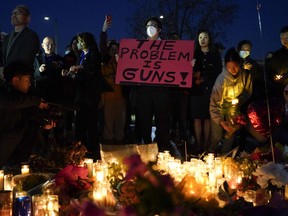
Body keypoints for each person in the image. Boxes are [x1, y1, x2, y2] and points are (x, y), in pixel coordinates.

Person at [209, 48, 266, 155]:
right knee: (217, 135)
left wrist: (238, 100)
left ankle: (225, 154)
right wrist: (221, 122)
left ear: (239, 64)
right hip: (219, 108)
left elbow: (247, 92)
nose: (233, 70)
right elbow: (213, 105)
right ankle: (212, 150)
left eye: (235, 66)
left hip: (234, 107)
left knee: (231, 131)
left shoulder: (245, 75)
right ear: (225, 66)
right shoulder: (220, 81)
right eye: (229, 67)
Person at [68, 32, 111, 159]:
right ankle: (80, 148)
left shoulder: (94, 53)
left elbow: (92, 69)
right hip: (81, 94)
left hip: (90, 95)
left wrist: (79, 68)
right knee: (80, 123)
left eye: (80, 41)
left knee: (91, 123)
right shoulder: (81, 55)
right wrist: (71, 73)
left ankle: (92, 150)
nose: (78, 44)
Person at [0, 62, 50, 168]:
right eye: (27, 80)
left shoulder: (24, 99)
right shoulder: (5, 94)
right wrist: (35, 101)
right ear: (15, 80)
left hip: (15, 155)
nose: (29, 84)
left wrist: (43, 124)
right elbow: (12, 103)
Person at [135, 16, 171, 152]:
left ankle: (163, 149)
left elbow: (174, 65)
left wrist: (187, 64)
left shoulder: (169, 48)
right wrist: (122, 61)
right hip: (144, 91)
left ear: (159, 29)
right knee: (144, 121)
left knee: (163, 121)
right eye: (148, 25)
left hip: (162, 91)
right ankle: (147, 148)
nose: (150, 27)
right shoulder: (138, 47)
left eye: (153, 25)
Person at [189, 29, 223, 153]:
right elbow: (187, 71)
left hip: (210, 89)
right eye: (200, 37)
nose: (203, 40)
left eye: (205, 37)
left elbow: (218, 70)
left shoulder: (214, 54)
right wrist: (194, 78)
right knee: (197, 117)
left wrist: (203, 75)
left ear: (209, 39)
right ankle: (198, 142)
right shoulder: (194, 54)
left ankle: (207, 142)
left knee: (208, 117)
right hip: (196, 90)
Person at [2, 5, 40, 70]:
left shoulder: (32, 36)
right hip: (6, 77)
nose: (14, 15)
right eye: (13, 13)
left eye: (18, 13)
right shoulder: (6, 38)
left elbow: (26, 59)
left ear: (28, 18)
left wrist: (6, 69)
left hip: (22, 77)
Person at [168, 32, 190, 144]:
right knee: (170, 114)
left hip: (182, 92)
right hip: (170, 91)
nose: (175, 41)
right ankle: (171, 134)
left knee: (182, 116)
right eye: (172, 39)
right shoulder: (166, 55)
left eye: (177, 39)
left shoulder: (185, 54)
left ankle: (183, 137)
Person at [34, 36, 64, 103]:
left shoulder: (60, 59)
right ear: (42, 45)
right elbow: (32, 74)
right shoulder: (36, 59)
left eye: (52, 45)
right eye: (47, 45)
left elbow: (64, 75)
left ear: (55, 46)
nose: (50, 47)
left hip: (56, 94)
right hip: (41, 94)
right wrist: (39, 70)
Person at [268, 26, 288, 99]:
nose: (285, 40)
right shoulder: (276, 55)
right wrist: (274, 77)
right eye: (282, 38)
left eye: (287, 38)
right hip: (280, 92)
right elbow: (271, 70)